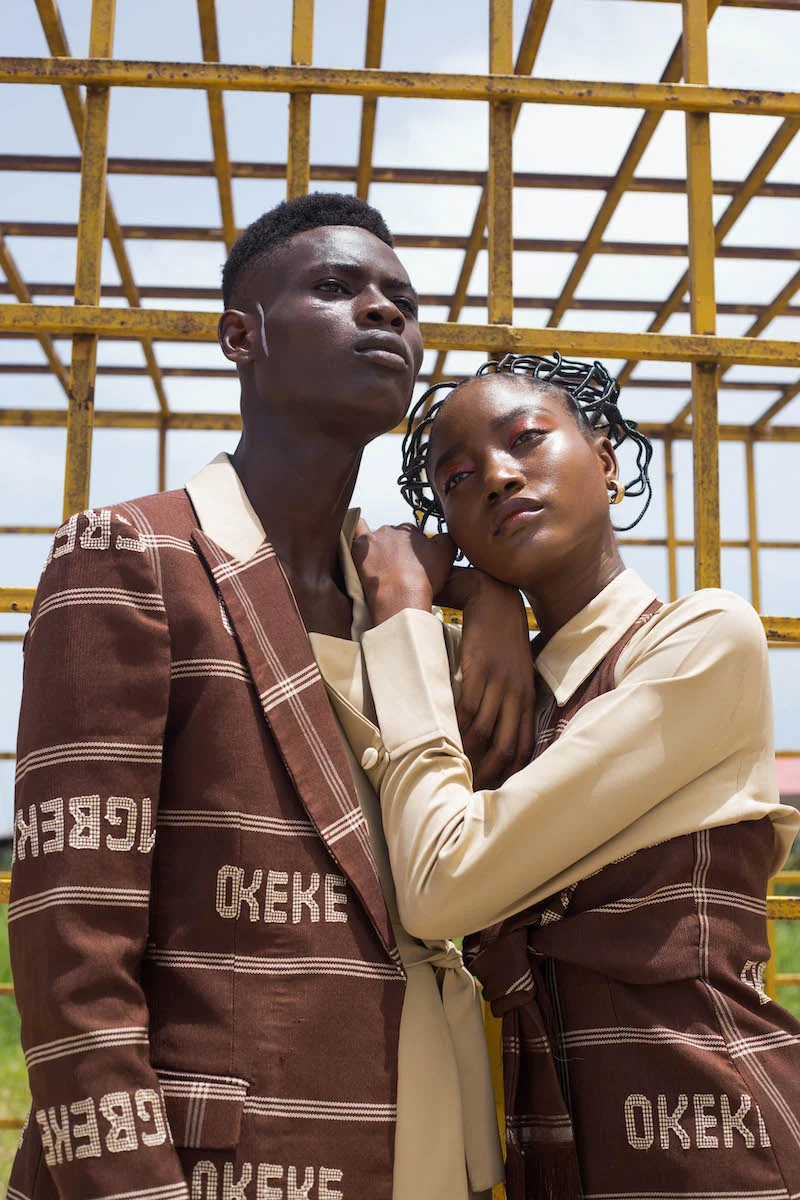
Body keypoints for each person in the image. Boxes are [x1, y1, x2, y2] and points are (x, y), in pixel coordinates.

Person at [6, 194, 535, 1200]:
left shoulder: (401, 602)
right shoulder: (133, 557)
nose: (384, 311)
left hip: (436, 1143)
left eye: (402, 299)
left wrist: (491, 593)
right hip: (219, 1168)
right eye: (336, 287)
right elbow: (73, 953)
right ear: (239, 336)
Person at [350, 352, 800, 1200]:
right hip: (544, 1157)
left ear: (605, 460)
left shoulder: (700, 641)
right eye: (457, 479)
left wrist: (420, 614)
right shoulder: (489, 687)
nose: (497, 476)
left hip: (718, 1144)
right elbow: (350, 569)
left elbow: (444, 885)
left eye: (526, 438)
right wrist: (484, 596)